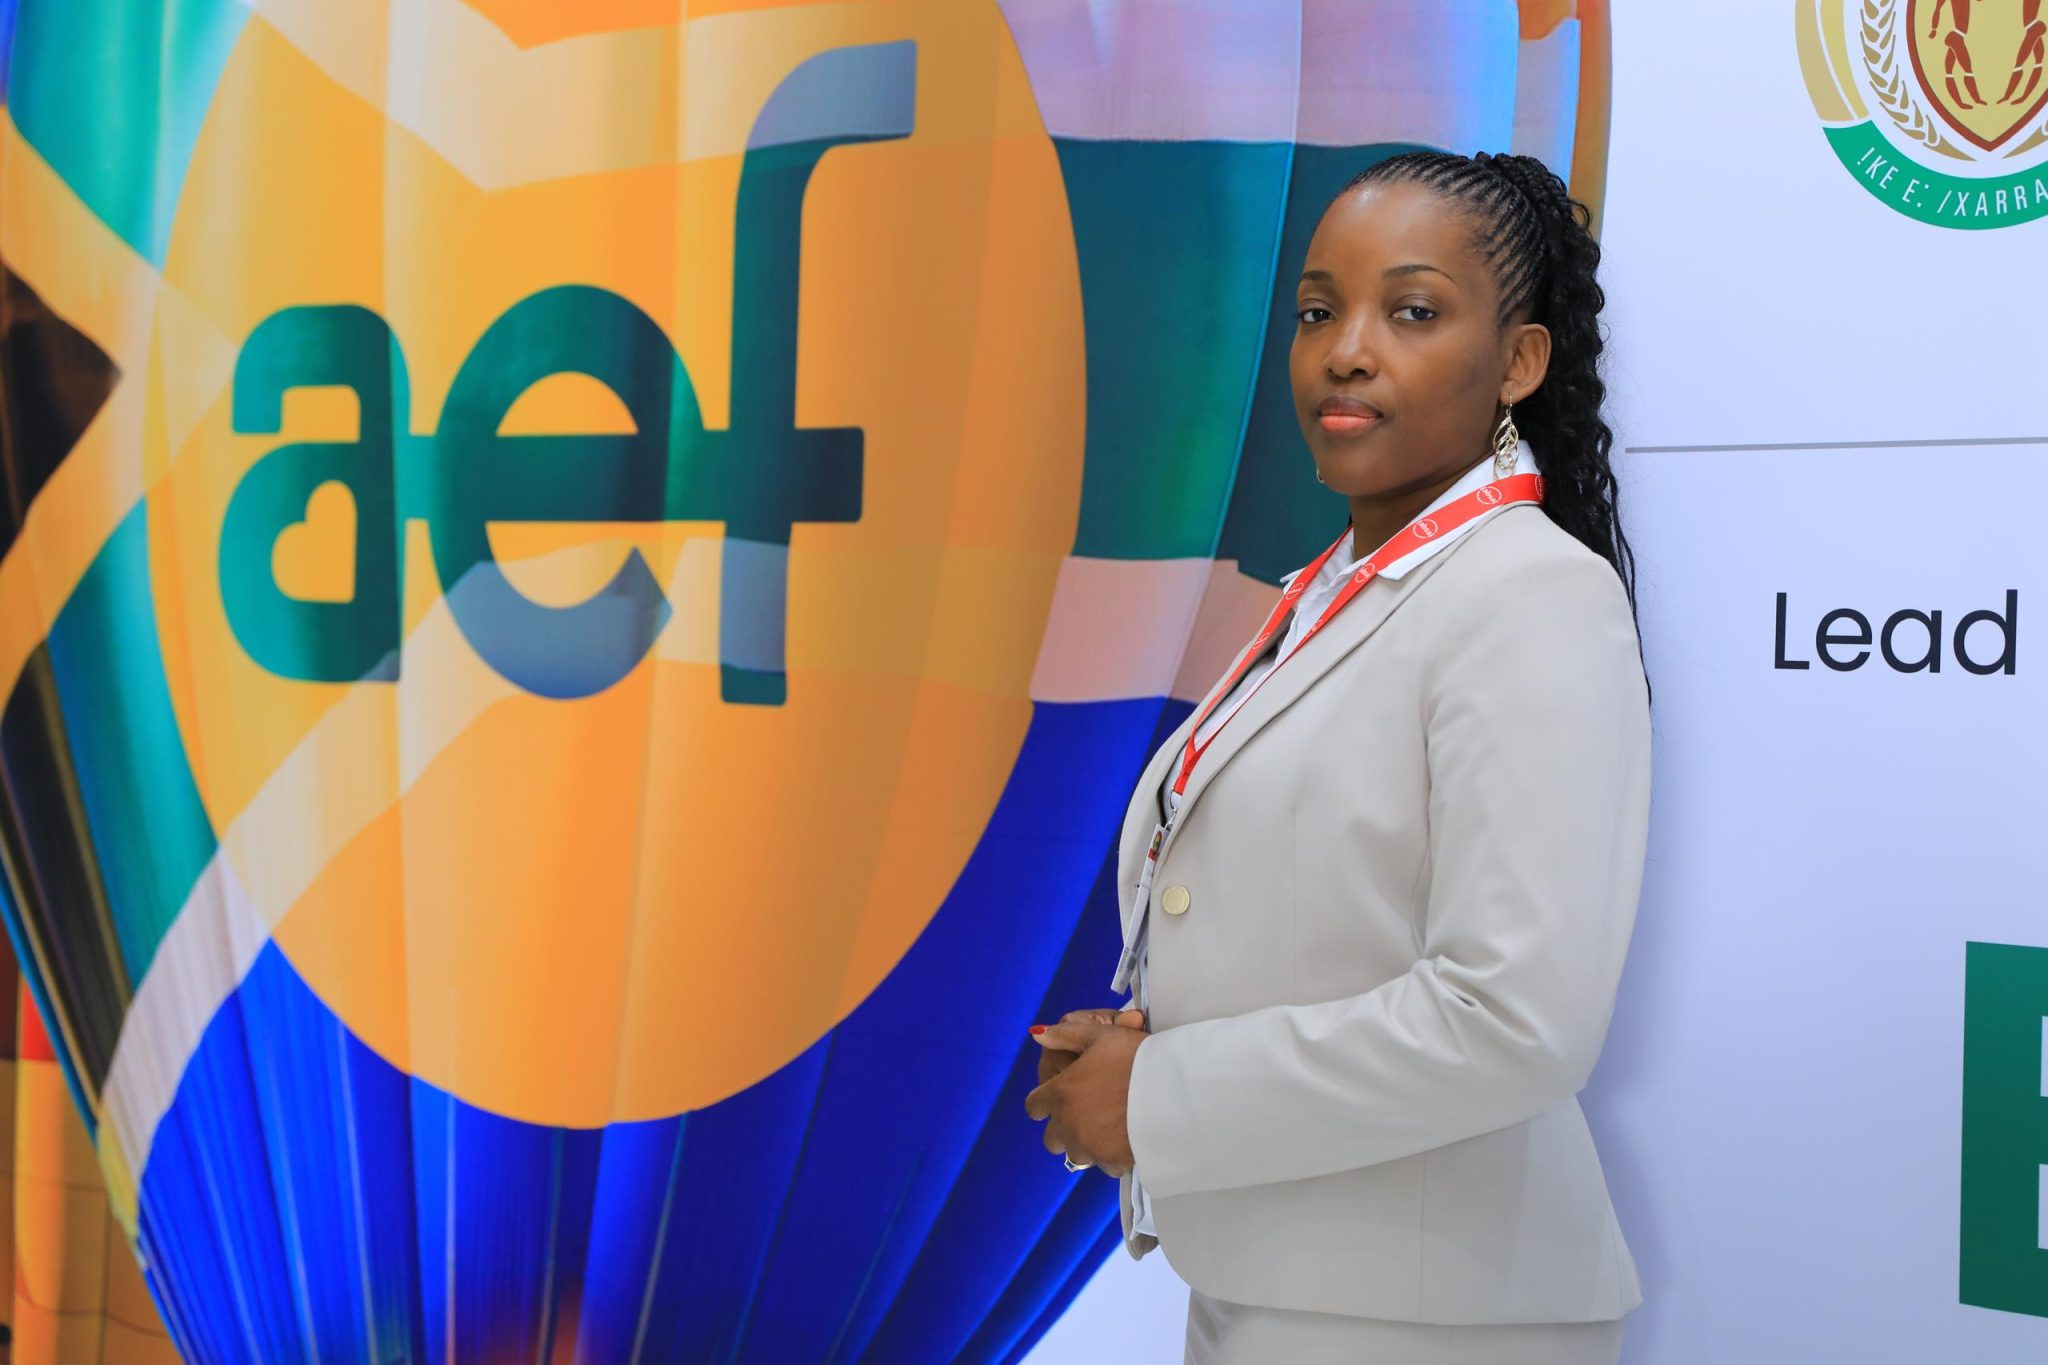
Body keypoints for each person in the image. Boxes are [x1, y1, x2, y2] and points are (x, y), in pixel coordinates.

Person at [1023, 150, 1651, 1364]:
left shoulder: (1530, 595)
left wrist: (1162, 1094)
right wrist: (1153, 1037)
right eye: (1318, 312)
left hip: (1431, 1318)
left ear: (1518, 361)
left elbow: (1511, 1018)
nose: (1346, 352)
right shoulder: (1334, 590)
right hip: (1281, 1283)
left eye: (1411, 312)